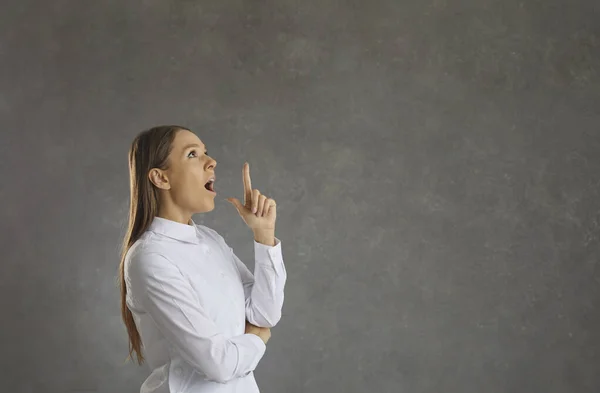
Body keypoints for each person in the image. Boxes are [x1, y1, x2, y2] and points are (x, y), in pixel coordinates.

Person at [118, 125, 287, 393]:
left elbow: (265, 313)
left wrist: (264, 235)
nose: (212, 162)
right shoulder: (150, 258)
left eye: (206, 152)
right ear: (160, 178)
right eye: (193, 154)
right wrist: (257, 338)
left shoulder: (210, 239)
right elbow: (219, 364)